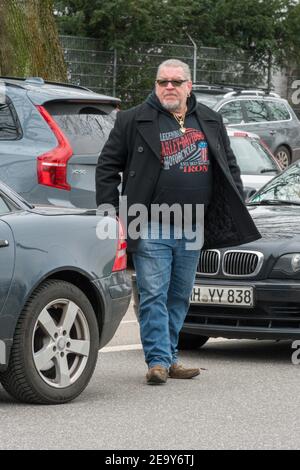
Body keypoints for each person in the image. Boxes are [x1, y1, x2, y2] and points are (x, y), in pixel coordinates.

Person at [95, 59, 260, 385]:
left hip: (193, 223)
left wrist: (234, 202)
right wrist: (110, 212)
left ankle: (169, 358)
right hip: (150, 222)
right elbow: (106, 167)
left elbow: (228, 165)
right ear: (156, 85)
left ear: (189, 85)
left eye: (176, 81)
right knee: (154, 292)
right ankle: (157, 361)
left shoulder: (210, 119)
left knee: (179, 295)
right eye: (162, 81)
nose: (168, 87)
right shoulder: (132, 120)